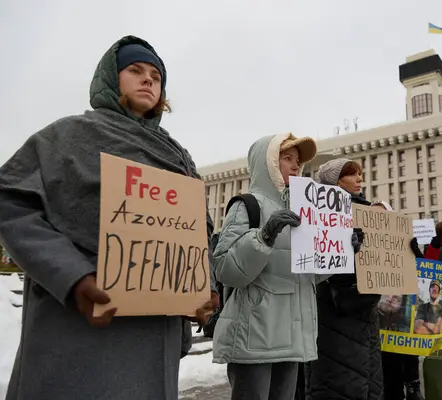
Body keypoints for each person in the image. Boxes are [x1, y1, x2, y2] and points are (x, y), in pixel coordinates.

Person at [0, 36, 218, 400]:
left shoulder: (178, 155)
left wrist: (202, 284)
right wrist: (71, 276)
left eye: (156, 76)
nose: (148, 80)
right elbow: (10, 200)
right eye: (135, 70)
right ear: (109, 79)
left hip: (156, 335)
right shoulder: (66, 137)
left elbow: (198, 229)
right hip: (80, 327)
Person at [212, 133, 319, 400]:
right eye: (287, 158)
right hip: (256, 338)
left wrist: (342, 251)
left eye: (298, 161)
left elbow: (309, 276)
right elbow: (225, 269)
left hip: (292, 338)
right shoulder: (247, 205)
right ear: (269, 163)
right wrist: (264, 236)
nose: (295, 166)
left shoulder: (303, 211)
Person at [305, 158, 382, 400]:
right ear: (333, 182)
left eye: (360, 173)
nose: (360, 179)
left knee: (369, 379)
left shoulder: (370, 213)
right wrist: (346, 250)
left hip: (367, 314)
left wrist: (409, 251)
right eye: (352, 174)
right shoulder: (321, 214)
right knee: (340, 382)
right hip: (336, 315)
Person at [373, 200, 424, 400]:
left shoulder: (403, 241)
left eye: (382, 214)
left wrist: (417, 254)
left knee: (404, 353)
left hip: (402, 310)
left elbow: (420, 274)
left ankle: (412, 388)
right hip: (377, 311)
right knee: (387, 362)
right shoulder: (364, 241)